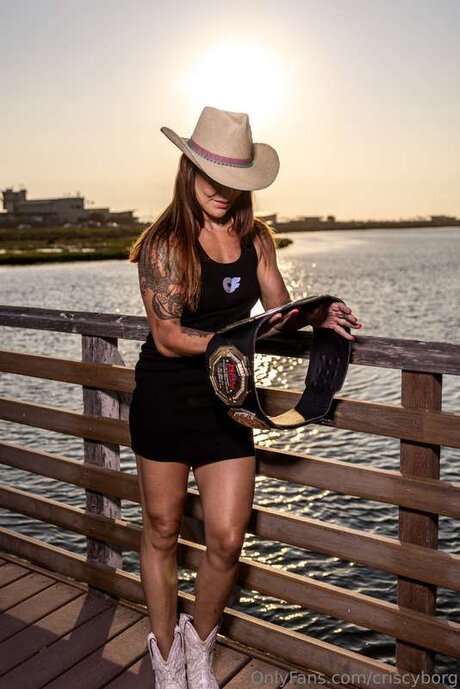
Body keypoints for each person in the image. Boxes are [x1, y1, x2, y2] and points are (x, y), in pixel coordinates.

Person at [128, 105, 362, 688]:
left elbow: (277, 313)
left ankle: (199, 650)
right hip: (165, 398)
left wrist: (316, 315)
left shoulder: (256, 239)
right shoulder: (164, 243)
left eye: (232, 177)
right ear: (189, 170)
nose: (220, 189)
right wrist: (232, 340)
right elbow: (168, 336)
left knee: (228, 540)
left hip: (227, 400)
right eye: (210, 175)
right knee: (161, 530)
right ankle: (166, 659)